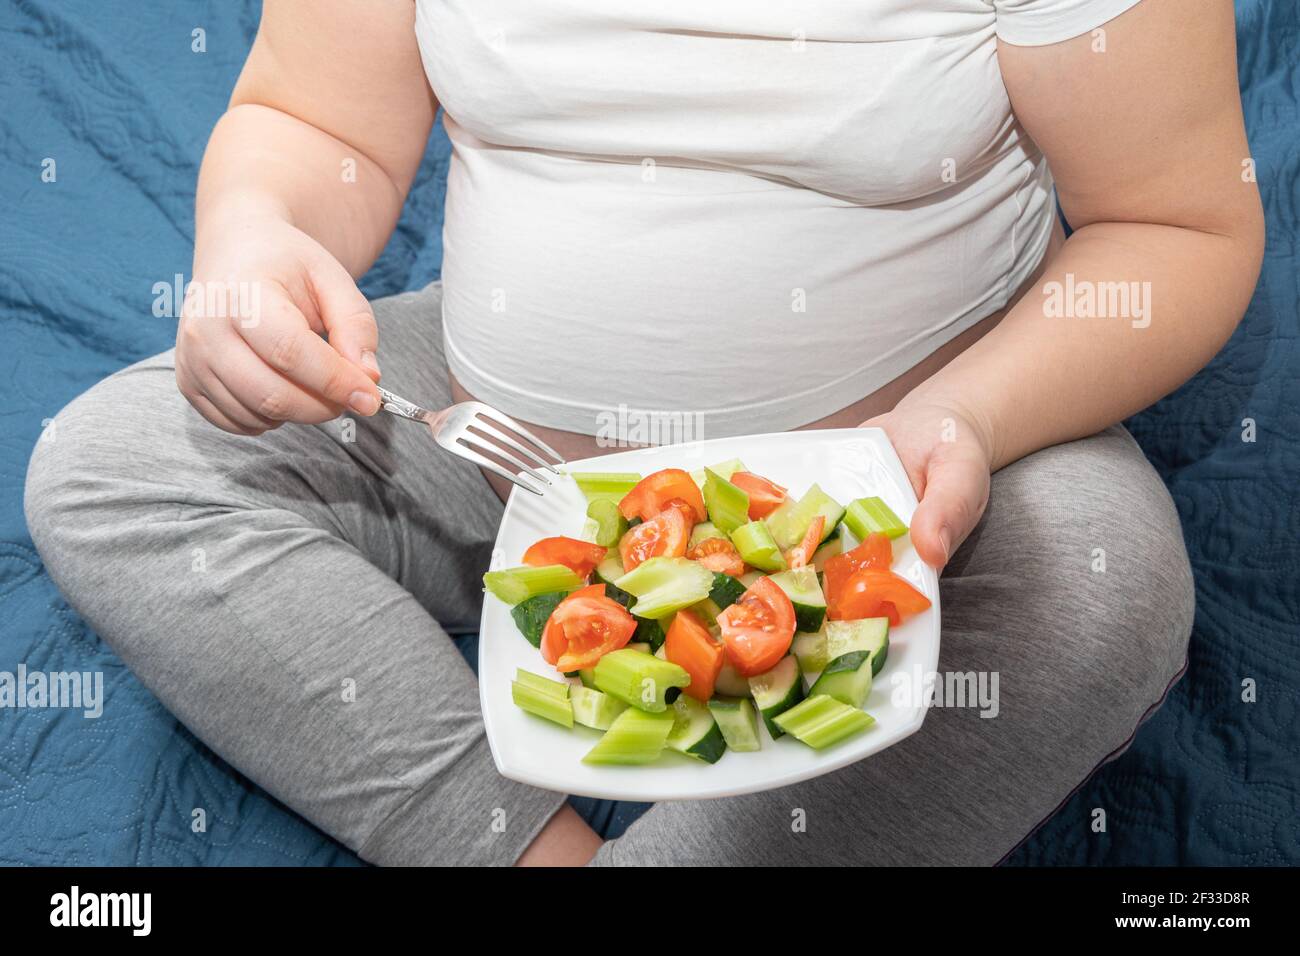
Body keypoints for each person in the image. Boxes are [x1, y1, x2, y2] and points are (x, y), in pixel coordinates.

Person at [25, 0, 1262, 865]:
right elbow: (317, 122)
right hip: (490, 449)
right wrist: (252, 237)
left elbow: (1173, 226)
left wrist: (970, 414)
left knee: (1106, 588)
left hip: (921, 486)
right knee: (120, 468)